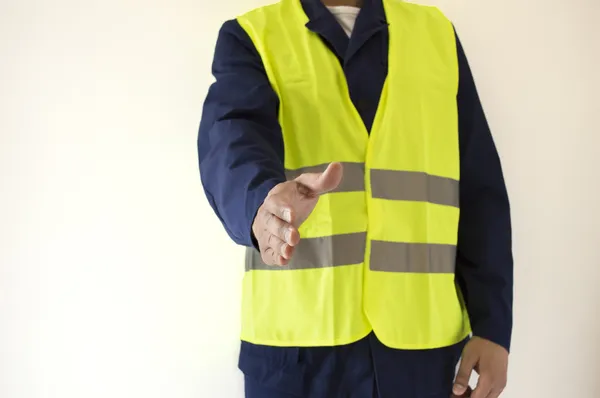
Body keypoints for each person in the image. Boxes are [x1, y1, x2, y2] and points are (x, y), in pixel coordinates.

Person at [197, 0, 513, 397]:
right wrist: (260, 205)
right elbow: (229, 141)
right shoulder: (254, 36)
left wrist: (493, 326)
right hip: (299, 356)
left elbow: (480, 190)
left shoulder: (436, 35)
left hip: (422, 354)